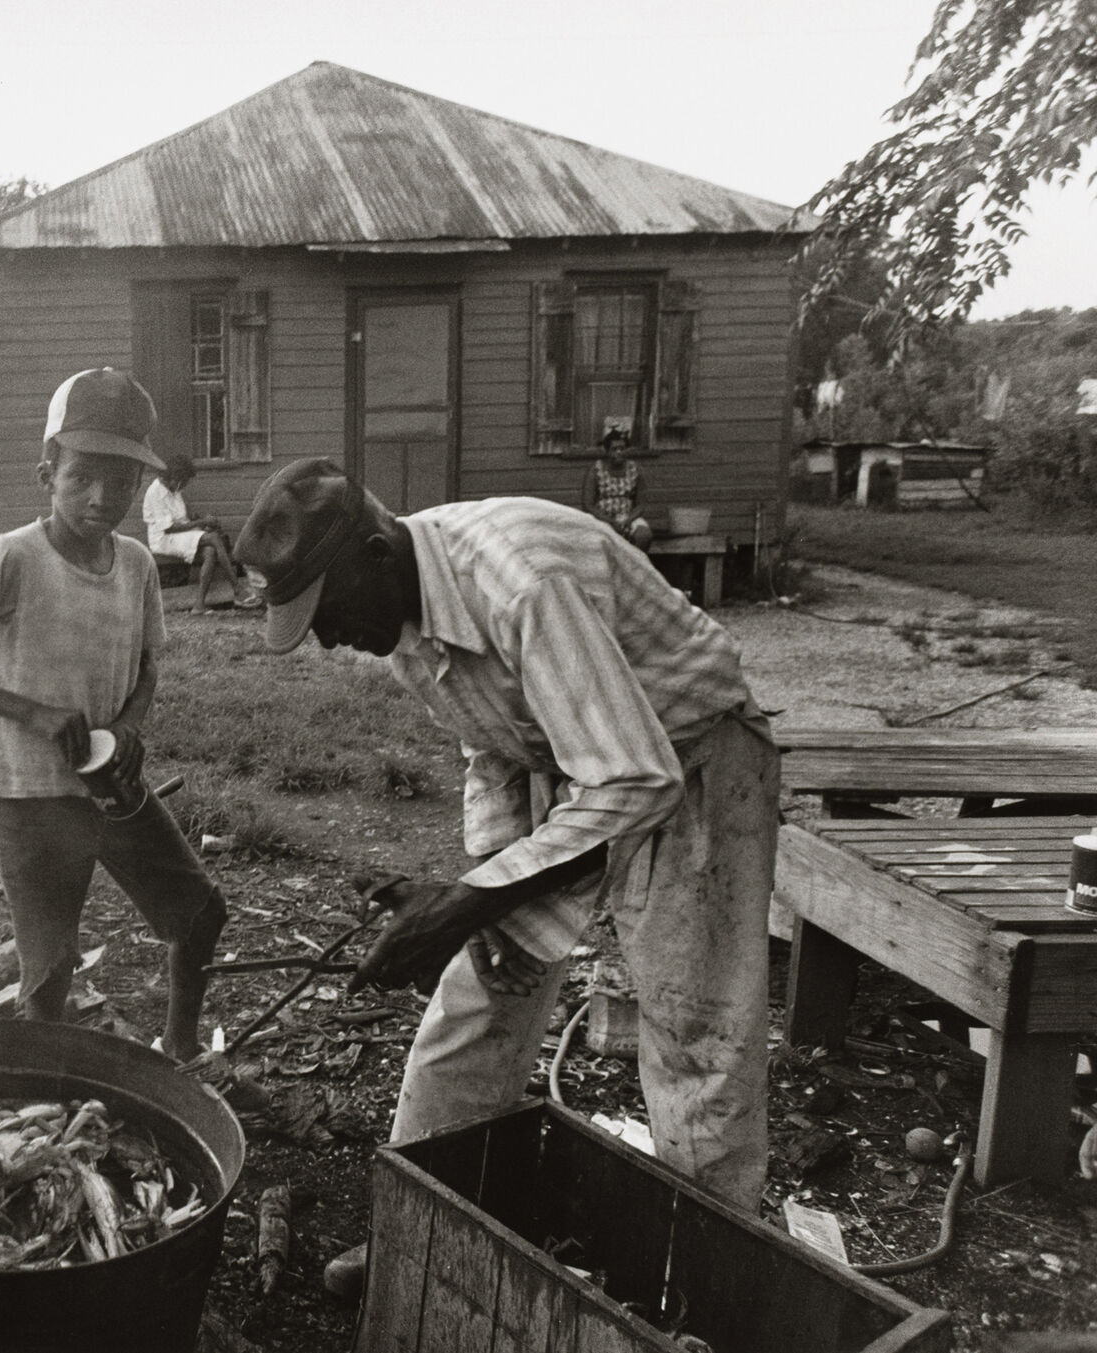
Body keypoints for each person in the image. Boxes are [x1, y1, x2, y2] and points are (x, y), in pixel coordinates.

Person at [234, 458, 778, 1292]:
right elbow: (488, 742)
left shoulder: (519, 582)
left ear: (378, 553)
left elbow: (638, 776)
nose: (327, 636)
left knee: (697, 1039)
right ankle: (415, 1236)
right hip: (567, 766)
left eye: (328, 610)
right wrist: (479, 887)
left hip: (692, 759)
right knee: (476, 1001)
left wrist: (468, 899)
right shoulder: (403, 616)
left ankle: (708, 1292)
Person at [0, 368, 227, 1060]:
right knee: (48, 971)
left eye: (121, 481)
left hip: (113, 787)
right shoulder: (9, 559)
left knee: (199, 914)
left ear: (141, 484)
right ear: (47, 470)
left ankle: (182, 1049)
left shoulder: (136, 564)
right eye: (81, 477)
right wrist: (33, 713)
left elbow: (146, 668)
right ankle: (40, 1105)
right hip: (31, 796)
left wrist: (131, 725)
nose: (102, 497)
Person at [144, 459, 258, 613]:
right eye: (184, 482)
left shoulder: (174, 490)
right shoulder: (155, 492)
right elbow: (169, 528)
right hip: (164, 539)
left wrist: (202, 522)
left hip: (180, 534)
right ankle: (237, 589)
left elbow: (185, 517)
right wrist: (202, 522)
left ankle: (199, 605)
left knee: (211, 551)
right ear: (176, 478)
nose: (184, 486)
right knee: (214, 538)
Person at [581, 424, 654, 549]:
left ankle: (634, 566)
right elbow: (588, 505)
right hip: (602, 518)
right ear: (607, 451)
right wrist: (610, 521)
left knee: (644, 535)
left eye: (622, 448)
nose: (619, 452)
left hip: (628, 517)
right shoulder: (595, 470)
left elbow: (641, 504)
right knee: (597, 539)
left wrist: (628, 520)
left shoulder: (635, 469)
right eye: (614, 449)